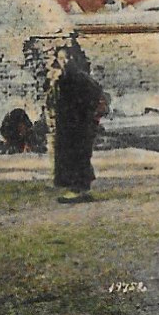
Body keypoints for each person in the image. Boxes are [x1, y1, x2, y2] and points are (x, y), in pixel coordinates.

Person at [51, 45, 107, 202]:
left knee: (78, 155)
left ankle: (77, 190)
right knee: (69, 155)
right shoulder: (61, 78)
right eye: (61, 59)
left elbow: (97, 96)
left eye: (68, 58)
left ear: (74, 59)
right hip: (67, 124)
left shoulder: (81, 78)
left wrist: (91, 116)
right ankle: (78, 189)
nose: (65, 61)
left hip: (79, 124)